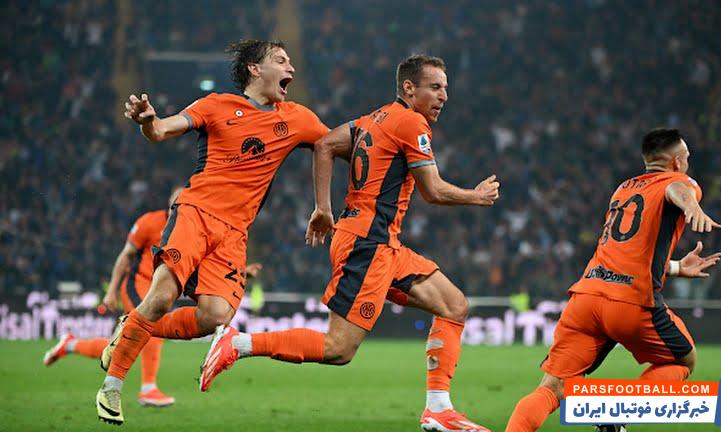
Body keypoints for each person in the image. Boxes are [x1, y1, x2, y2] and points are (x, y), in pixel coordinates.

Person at [199, 55, 500, 432]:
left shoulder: (371, 120)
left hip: (380, 242)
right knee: (338, 348)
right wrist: (476, 196)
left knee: (453, 305)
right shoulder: (412, 122)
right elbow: (433, 190)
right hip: (368, 244)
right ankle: (238, 343)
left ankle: (438, 410)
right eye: (435, 87)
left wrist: (323, 208)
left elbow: (325, 144)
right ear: (409, 88)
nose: (444, 96)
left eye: (445, 88)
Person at [95, 39, 329, 425]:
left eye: (290, 61)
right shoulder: (216, 105)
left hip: (235, 233)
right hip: (196, 212)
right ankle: (112, 386)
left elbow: (332, 142)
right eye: (281, 60)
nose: (291, 67)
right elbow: (162, 131)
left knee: (214, 316)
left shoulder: (297, 118)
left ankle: (132, 325)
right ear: (255, 69)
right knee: (162, 296)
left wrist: (378, 142)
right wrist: (148, 120)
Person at [504, 128, 721, 432]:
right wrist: (692, 206)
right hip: (631, 303)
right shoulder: (680, 182)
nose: (688, 161)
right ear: (676, 162)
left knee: (552, 387)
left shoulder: (622, 189)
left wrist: (673, 267)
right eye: (686, 156)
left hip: (586, 298)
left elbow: (628, 251)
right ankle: (617, 413)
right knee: (683, 361)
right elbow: (676, 189)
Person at [45, 188, 182, 407]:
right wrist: (111, 291)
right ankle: (148, 389)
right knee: (152, 325)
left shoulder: (188, 230)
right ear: (169, 202)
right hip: (136, 285)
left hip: (158, 290)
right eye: (175, 202)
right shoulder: (149, 222)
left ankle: (70, 344)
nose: (178, 206)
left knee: (117, 348)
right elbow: (126, 255)